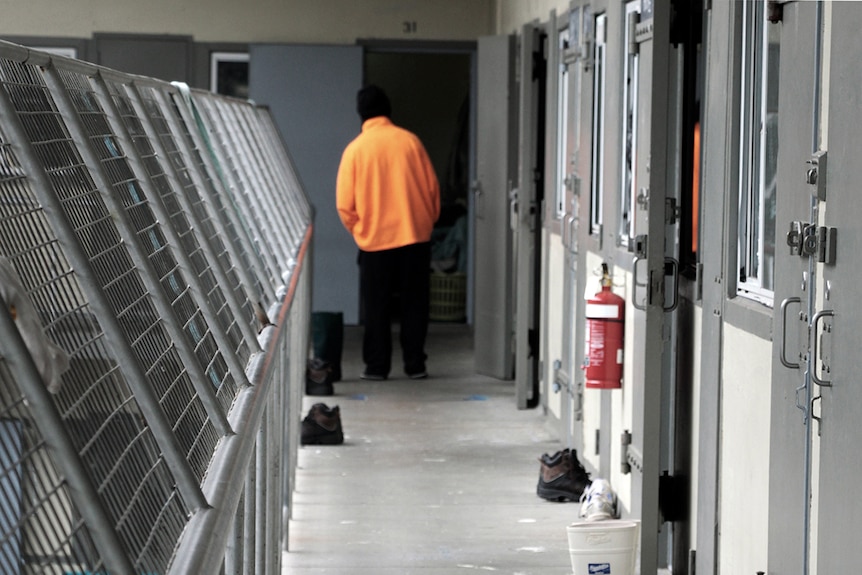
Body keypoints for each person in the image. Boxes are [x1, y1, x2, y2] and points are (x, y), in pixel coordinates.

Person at [336, 85, 440, 380]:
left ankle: (377, 367)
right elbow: (433, 192)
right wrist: (425, 223)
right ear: (388, 109)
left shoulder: (355, 150)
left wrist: (359, 229)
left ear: (361, 113)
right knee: (414, 305)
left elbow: (345, 205)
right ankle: (415, 364)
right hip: (414, 238)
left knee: (376, 308)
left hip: (374, 243)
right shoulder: (411, 143)